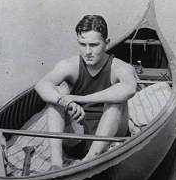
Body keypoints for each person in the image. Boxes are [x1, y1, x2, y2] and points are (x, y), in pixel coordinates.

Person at [35, 14, 137, 168]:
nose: (87, 51)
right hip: (79, 136)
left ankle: (90, 160)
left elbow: (129, 88)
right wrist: (63, 101)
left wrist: (80, 99)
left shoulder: (120, 67)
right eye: (83, 44)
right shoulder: (69, 65)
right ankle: (56, 163)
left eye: (94, 45)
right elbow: (41, 85)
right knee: (55, 100)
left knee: (116, 102)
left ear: (107, 43)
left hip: (110, 136)